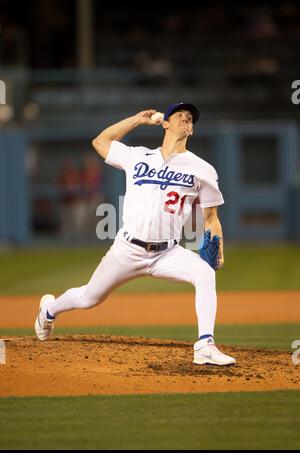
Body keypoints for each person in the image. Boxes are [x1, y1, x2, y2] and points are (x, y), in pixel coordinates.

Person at [35, 102, 235, 366]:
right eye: (180, 116)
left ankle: (205, 346)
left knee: (205, 274)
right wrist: (136, 120)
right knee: (89, 297)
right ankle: (48, 310)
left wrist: (218, 245)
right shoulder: (138, 156)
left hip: (168, 252)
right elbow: (100, 141)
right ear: (165, 122)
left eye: (190, 119)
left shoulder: (202, 169)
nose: (186, 121)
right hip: (127, 249)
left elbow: (211, 218)